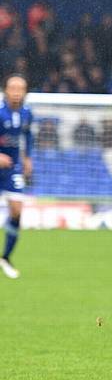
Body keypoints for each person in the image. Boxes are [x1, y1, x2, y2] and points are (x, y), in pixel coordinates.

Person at [0, 74, 34, 278]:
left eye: (20, 89)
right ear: (5, 90)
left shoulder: (27, 114)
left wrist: (28, 157)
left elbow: (28, 135)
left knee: (17, 211)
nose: (16, 92)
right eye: (12, 88)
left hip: (12, 168)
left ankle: (5, 257)